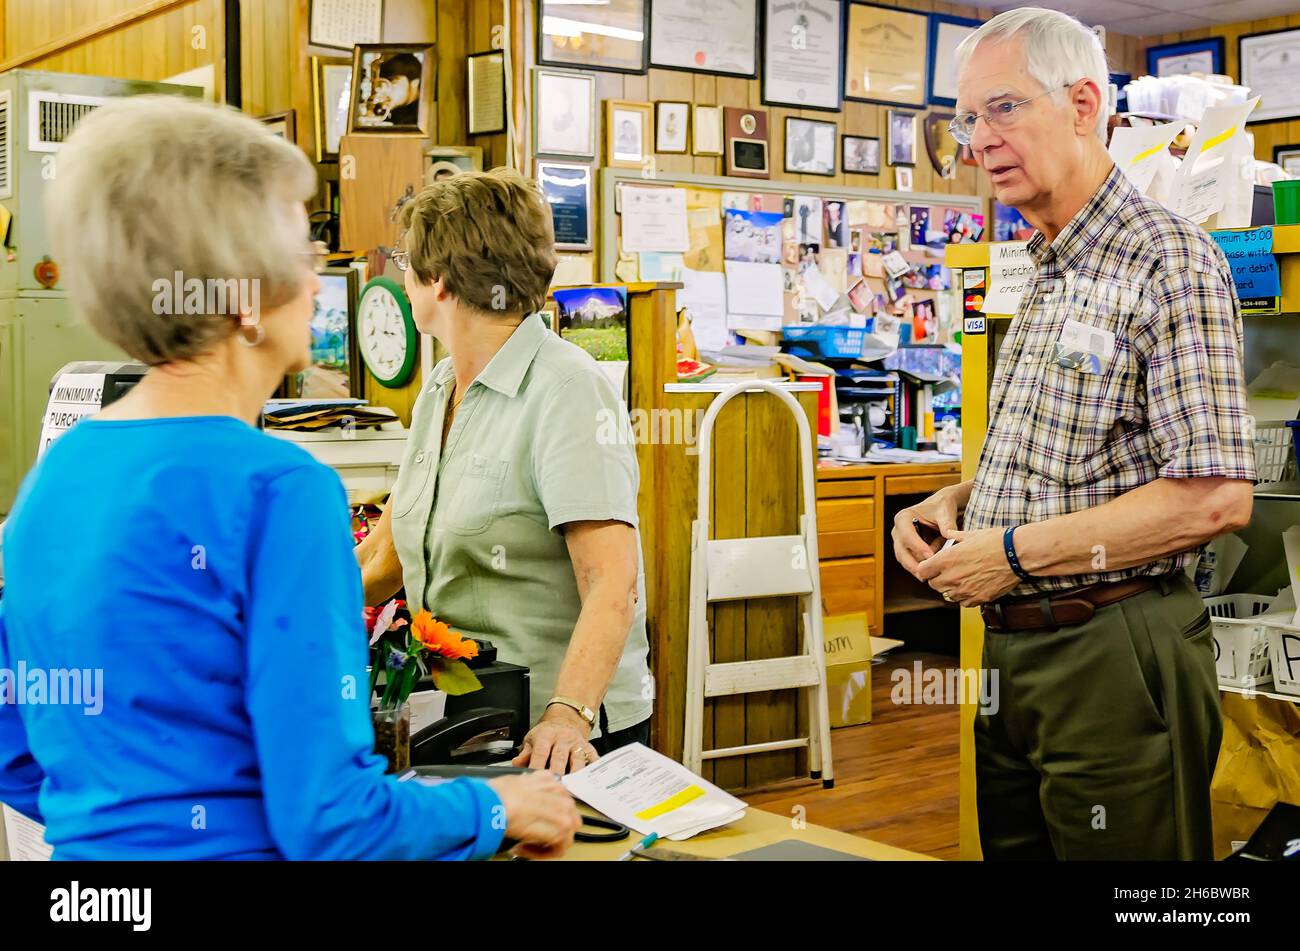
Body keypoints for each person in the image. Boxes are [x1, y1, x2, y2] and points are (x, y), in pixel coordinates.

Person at [0, 97, 578, 860]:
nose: (315, 283)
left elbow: (19, 753)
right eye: (300, 252)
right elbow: (333, 821)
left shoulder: (51, 479)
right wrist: (495, 807)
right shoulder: (278, 490)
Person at [891, 7, 1255, 861]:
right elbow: (1066, 463)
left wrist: (1011, 553)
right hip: (1013, 656)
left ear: (1085, 102)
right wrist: (954, 502)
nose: (980, 139)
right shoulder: (1046, 265)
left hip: (1114, 650)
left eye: (1004, 108)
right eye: (968, 118)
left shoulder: (1168, 258)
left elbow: (1214, 497)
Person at [355, 168, 652, 775]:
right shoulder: (440, 390)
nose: (400, 278)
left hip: (558, 734)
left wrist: (567, 716)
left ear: (437, 280)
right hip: (463, 708)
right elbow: (385, 560)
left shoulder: (568, 390)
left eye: (404, 263)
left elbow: (612, 584)